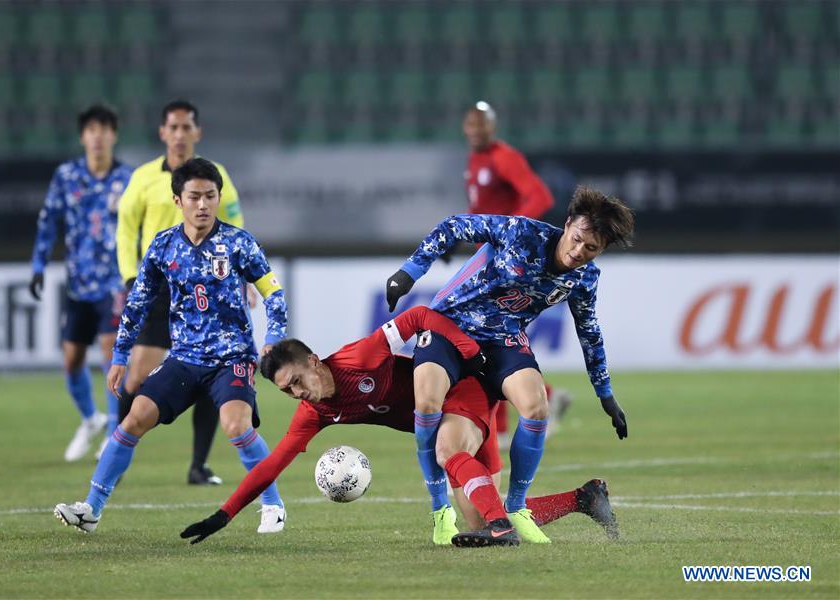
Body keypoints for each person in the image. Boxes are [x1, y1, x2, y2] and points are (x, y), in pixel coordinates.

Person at [178, 306, 619, 547]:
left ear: (313, 362)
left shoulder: (359, 357)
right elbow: (271, 465)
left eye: (296, 381)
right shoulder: (315, 413)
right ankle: (583, 498)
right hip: (448, 422)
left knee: (449, 455)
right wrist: (225, 513)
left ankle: (503, 528)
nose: (297, 394)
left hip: (463, 393)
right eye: (286, 392)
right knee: (480, 519)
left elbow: (418, 316)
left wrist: (467, 349)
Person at [385, 186, 635, 543]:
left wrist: (605, 393)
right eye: (577, 239)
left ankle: (517, 505)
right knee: (426, 402)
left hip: (502, 340)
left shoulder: (585, 278)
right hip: (449, 326)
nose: (579, 252)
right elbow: (455, 225)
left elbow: (589, 332)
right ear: (567, 225)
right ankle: (440, 510)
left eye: (591, 248)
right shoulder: (521, 233)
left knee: (536, 406)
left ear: (601, 251)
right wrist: (409, 272)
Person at [54, 158, 288, 534]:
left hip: (231, 358)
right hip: (183, 358)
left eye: (210, 196)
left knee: (236, 426)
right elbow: (138, 303)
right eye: (194, 196)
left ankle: (273, 504)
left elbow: (274, 296)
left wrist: (273, 339)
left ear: (218, 198)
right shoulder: (163, 246)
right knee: (133, 419)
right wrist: (120, 355)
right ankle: (92, 509)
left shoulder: (239, 243)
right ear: (178, 200)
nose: (203, 205)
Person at [115, 99, 245, 485]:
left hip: (207, 292)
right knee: (137, 378)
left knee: (210, 374)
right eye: (173, 127)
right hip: (159, 290)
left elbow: (235, 222)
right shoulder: (142, 179)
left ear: (197, 132)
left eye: (187, 127)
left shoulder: (215, 175)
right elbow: (125, 230)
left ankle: (198, 467)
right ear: (163, 133)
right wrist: (129, 277)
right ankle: (117, 452)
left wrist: (241, 276)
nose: (179, 134)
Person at [459, 100, 571, 445]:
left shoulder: (504, 157)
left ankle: (507, 423)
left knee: (489, 331)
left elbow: (539, 196)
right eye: (471, 125)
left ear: (493, 127)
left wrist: (512, 233)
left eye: (482, 125)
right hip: (489, 256)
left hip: (509, 261)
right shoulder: (476, 160)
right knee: (492, 332)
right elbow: (482, 210)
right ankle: (546, 395)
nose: (476, 131)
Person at [29, 105, 133, 462]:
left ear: (113, 135)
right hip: (77, 286)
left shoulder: (128, 179)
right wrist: (38, 264)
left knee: (110, 352)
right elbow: (48, 220)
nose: (98, 136)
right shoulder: (67, 176)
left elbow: (139, 229)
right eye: (91, 129)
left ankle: (114, 432)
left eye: (104, 129)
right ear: (82, 136)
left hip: (114, 284)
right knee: (71, 359)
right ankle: (91, 420)